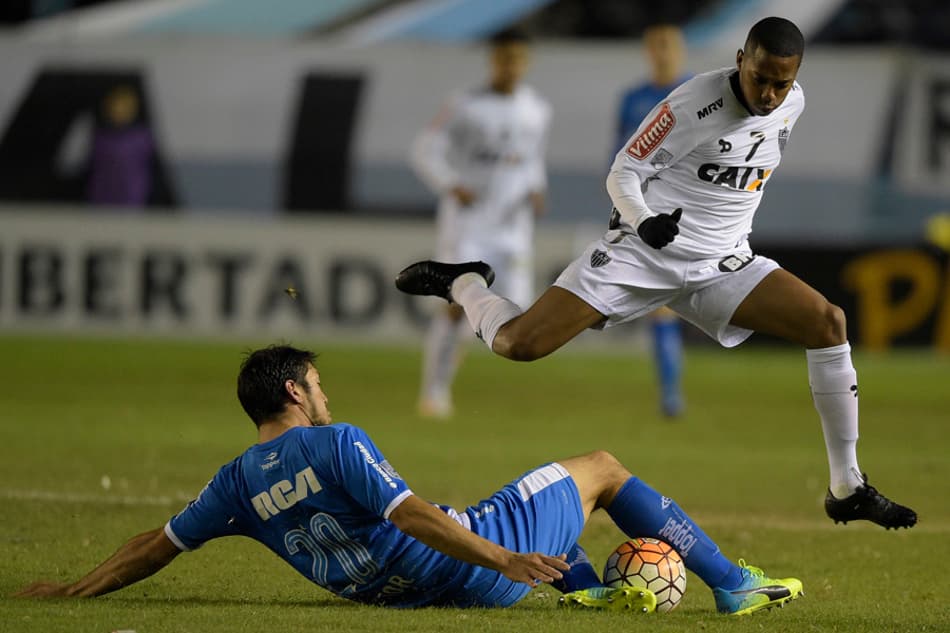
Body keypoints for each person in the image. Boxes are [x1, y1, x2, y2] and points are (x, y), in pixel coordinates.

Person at [395, 17, 917, 530]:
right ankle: (463, 282)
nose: (771, 94)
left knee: (828, 323)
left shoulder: (793, 102)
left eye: (782, 83)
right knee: (519, 344)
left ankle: (847, 487)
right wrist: (645, 223)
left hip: (722, 263)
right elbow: (623, 170)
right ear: (741, 61)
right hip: (643, 253)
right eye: (761, 79)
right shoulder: (692, 104)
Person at [16, 344, 802, 616]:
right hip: (472, 565)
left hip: (407, 592)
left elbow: (155, 545)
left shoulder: (233, 484)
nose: (327, 395)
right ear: (294, 391)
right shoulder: (334, 441)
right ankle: (732, 583)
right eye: (317, 384)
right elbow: (413, 512)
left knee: (530, 507)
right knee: (599, 470)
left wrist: (79, 591)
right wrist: (502, 561)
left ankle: (592, 587)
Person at [409, 27, 551, 419]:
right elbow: (424, 150)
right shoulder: (464, 104)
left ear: (527, 62)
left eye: (519, 59)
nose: (512, 67)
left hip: (513, 227)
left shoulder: (536, 108)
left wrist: (537, 188)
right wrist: (451, 184)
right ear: (493, 60)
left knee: (517, 311)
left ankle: (458, 380)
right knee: (456, 306)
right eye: (505, 59)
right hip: (469, 225)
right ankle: (434, 392)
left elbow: (531, 158)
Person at [614, 23, 692, 418]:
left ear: (680, 50)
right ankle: (671, 395)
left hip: (690, 211)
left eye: (669, 45)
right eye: (656, 44)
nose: (663, 52)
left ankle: (672, 392)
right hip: (645, 213)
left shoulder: (695, 93)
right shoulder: (632, 99)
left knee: (673, 302)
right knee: (661, 306)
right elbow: (618, 158)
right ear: (648, 50)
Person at [86, 84, 156, 207]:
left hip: (132, 199)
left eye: (125, 108)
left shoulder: (142, 137)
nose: (119, 111)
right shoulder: (98, 136)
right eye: (116, 107)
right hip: (101, 198)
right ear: (107, 108)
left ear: (134, 110)